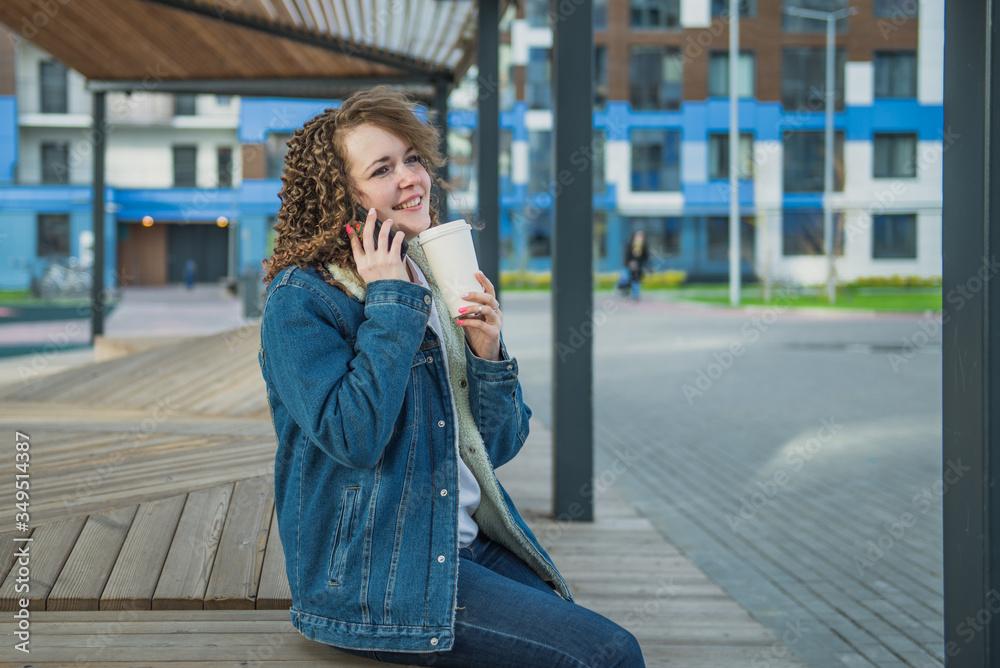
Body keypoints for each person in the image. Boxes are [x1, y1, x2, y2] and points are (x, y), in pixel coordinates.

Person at [258, 87, 645, 667]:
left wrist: (486, 355)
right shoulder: (303, 300)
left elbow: (500, 446)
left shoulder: (434, 277)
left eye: (412, 158)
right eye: (383, 169)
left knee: (572, 625)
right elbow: (352, 438)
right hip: (376, 571)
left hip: (453, 539)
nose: (411, 177)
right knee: (609, 654)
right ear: (343, 191)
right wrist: (390, 300)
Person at [623, 230, 649, 301]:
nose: (639, 238)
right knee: (629, 279)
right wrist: (628, 263)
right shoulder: (631, 244)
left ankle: (635, 295)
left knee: (636, 280)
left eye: (641, 236)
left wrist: (646, 265)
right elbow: (628, 254)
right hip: (631, 265)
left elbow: (646, 256)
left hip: (639, 266)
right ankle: (629, 293)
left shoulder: (643, 245)